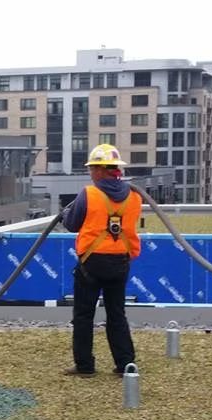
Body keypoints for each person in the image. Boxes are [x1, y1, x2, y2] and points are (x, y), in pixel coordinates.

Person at [60, 144, 142, 378]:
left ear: (101, 170)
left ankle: (85, 366)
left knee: (84, 314)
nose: (90, 174)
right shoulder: (134, 196)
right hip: (120, 263)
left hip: (92, 263)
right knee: (117, 313)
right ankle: (125, 364)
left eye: (92, 169)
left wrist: (66, 213)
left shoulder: (89, 194)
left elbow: (73, 224)